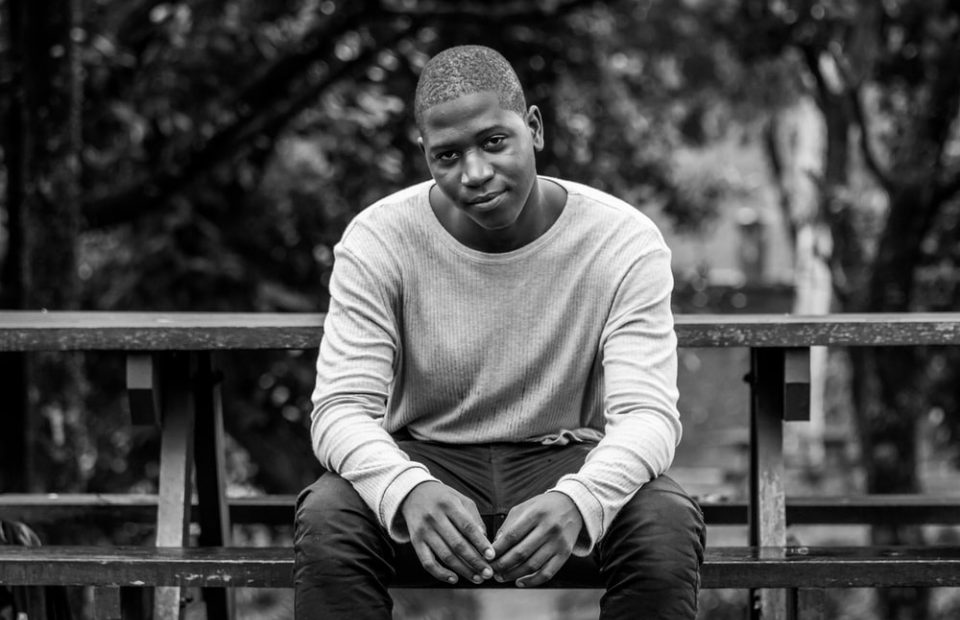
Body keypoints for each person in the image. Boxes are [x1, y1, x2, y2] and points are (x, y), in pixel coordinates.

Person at [294, 44, 705, 619]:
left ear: (533, 127)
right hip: (425, 460)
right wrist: (406, 488)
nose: (476, 173)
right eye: (448, 155)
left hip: (561, 459)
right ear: (425, 155)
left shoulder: (622, 241)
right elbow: (339, 409)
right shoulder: (380, 238)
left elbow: (649, 416)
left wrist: (580, 499)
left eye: (494, 142)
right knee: (328, 517)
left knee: (664, 520)